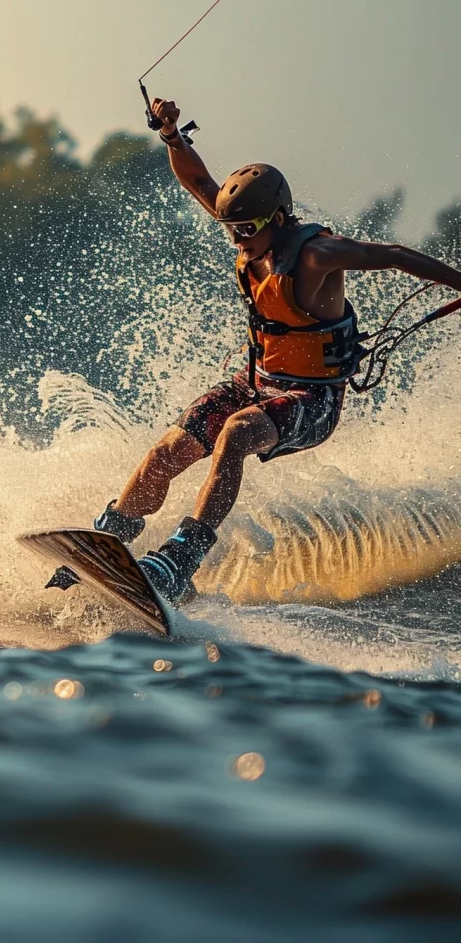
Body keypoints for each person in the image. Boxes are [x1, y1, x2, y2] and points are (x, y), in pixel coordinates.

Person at [57, 96, 461, 605]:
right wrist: (171, 135)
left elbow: (397, 256)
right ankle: (110, 535)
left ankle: (182, 557)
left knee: (236, 432)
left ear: (278, 217)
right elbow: (200, 183)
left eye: (247, 229)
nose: (238, 239)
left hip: (311, 402)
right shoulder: (247, 231)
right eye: (231, 229)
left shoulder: (317, 254)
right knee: (169, 449)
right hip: (256, 383)